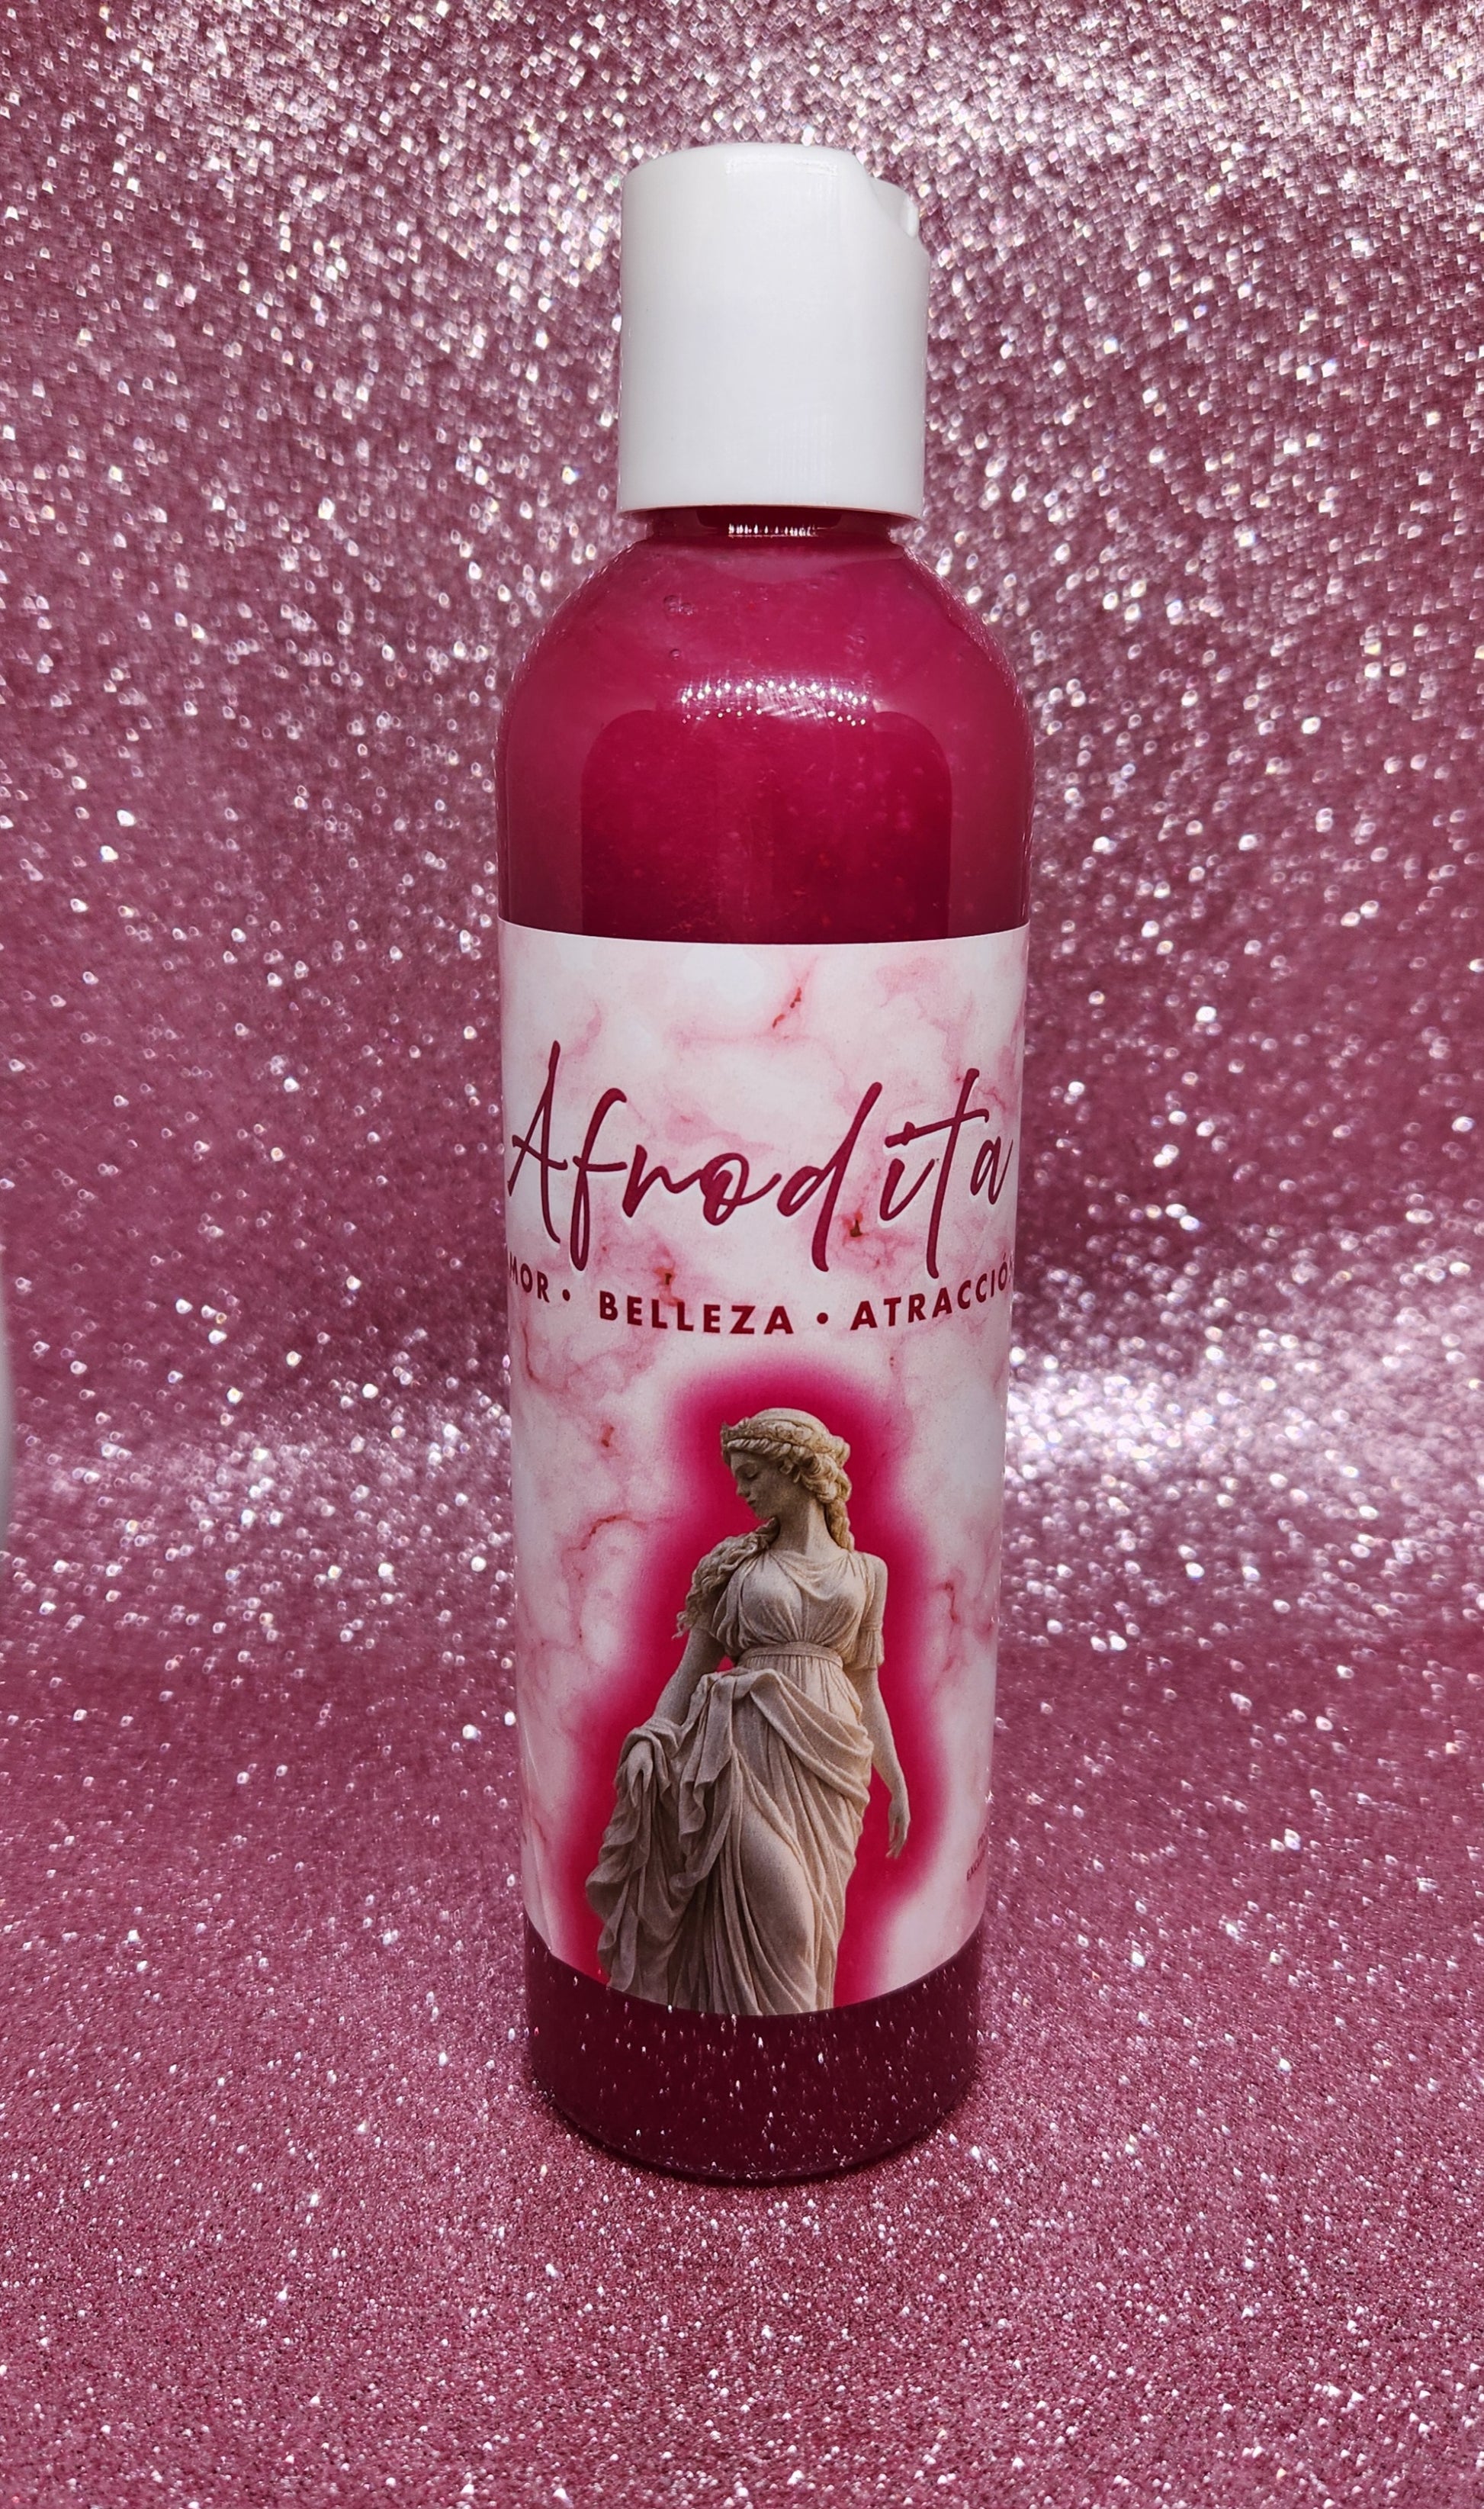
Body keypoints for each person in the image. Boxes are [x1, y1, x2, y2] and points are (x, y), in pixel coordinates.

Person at [586, 1406, 911, 2015]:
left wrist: (894, 1777)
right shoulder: (734, 1569)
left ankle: (787, 2054)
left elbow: (866, 1683)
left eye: (752, 1474)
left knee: (815, 1931)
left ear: (795, 1469)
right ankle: (770, 2059)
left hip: (832, 1763)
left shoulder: (868, 1573)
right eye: (738, 1477)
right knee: (787, 1916)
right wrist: (653, 1736)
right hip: (742, 1755)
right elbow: (690, 1673)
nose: (741, 1490)